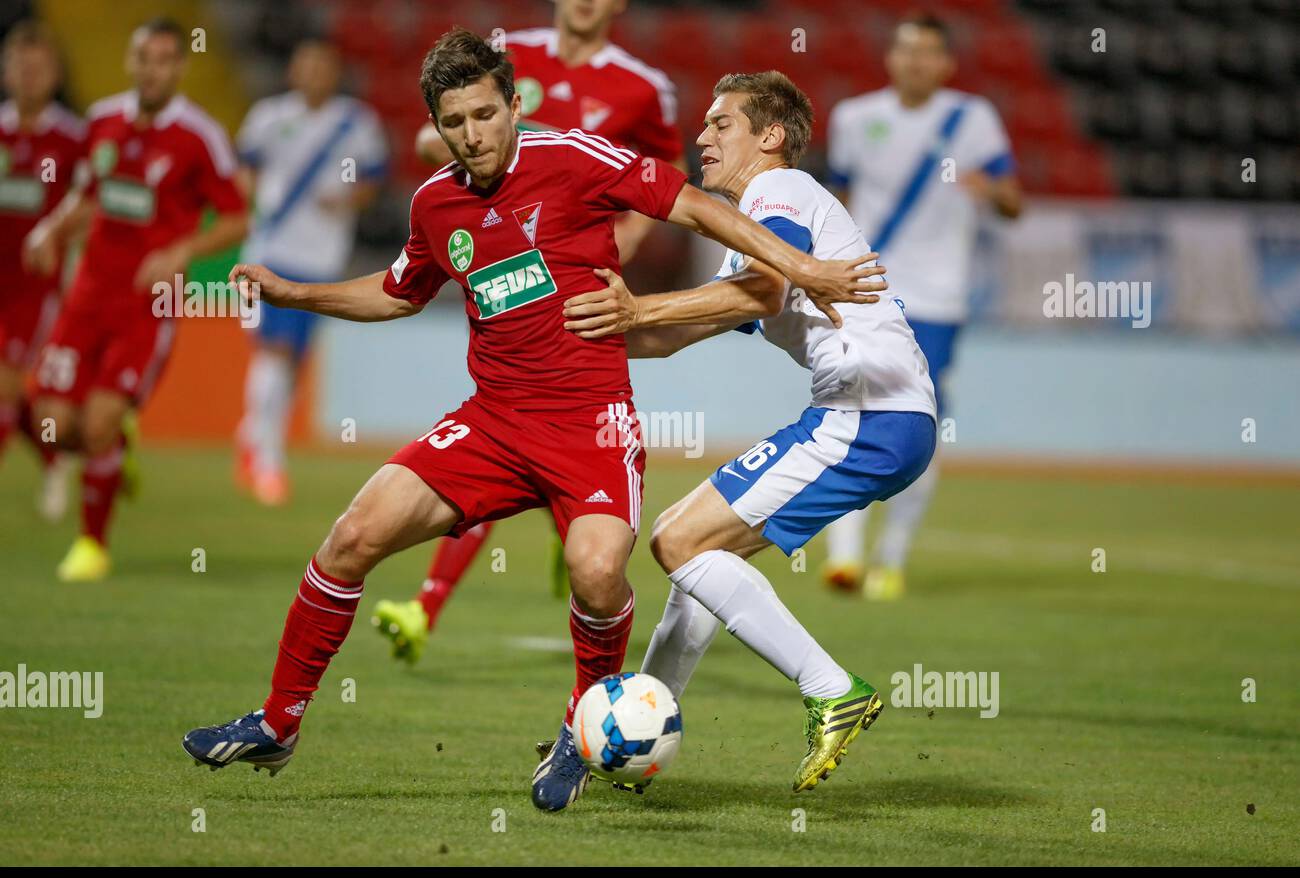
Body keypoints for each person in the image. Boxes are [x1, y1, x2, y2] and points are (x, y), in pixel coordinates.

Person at [182, 28, 886, 813]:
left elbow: (691, 206)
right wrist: (296, 293)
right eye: (455, 123)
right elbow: (397, 290)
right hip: (490, 423)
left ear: (514, 106)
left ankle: (578, 738)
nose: (473, 135)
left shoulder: (577, 158)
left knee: (595, 572)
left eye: (486, 115)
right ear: (437, 127)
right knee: (352, 535)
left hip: (592, 426)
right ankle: (279, 721)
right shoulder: (435, 202)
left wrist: (802, 267)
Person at [560, 71, 937, 792]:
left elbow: (763, 292)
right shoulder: (755, 233)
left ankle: (832, 687)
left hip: (866, 413)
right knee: (702, 559)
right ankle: (636, 733)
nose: (701, 139)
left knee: (676, 540)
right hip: (881, 416)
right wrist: (570, 336)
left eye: (720, 124)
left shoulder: (780, 191)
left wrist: (636, 310)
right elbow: (678, 332)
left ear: (770, 137)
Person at [376, 0, 685, 658]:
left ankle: (572, 531)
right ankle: (431, 603)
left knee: (555, 423)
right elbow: (431, 142)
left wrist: (620, 240)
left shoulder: (642, 85)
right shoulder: (503, 53)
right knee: (503, 424)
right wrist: (455, 144)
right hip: (506, 264)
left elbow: (664, 173)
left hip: (580, 283)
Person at [23, 17, 248, 581]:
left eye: (165, 60)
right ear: (131, 62)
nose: (153, 70)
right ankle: (114, 453)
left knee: (96, 423)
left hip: (149, 305)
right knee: (53, 420)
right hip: (87, 294)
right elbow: (87, 195)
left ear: (180, 67)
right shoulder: (101, 121)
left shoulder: (199, 136)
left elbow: (237, 216)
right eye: (144, 58)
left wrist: (182, 252)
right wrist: (50, 230)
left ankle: (91, 547)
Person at [821, 13, 1022, 600]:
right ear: (891, 58)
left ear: (945, 63)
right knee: (851, 401)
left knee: (920, 421)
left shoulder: (973, 119)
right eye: (906, 50)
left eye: (928, 52)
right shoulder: (856, 118)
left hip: (938, 297)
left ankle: (891, 557)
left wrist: (992, 192)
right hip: (867, 285)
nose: (915, 61)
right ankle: (846, 554)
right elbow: (835, 199)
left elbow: (1014, 203)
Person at [233, 38, 387, 506]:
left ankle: (252, 433)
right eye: (307, 65)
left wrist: (344, 199)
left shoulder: (357, 123)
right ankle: (268, 459)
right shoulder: (268, 118)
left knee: (292, 360)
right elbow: (243, 170)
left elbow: (375, 181)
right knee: (275, 351)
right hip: (272, 250)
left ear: (335, 72)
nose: (314, 73)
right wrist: (258, 205)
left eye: (324, 66)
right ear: (294, 71)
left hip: (322, 260)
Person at [0, 21, 84, 519]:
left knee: (7, 382)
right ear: (7, 72)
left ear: (53, 74)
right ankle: (55, 457)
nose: (29, 77)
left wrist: (58, 238)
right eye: (20, 67)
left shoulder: (71, 138)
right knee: (11, 389)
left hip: (37, 287)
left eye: (38, 68)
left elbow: (92, 204)